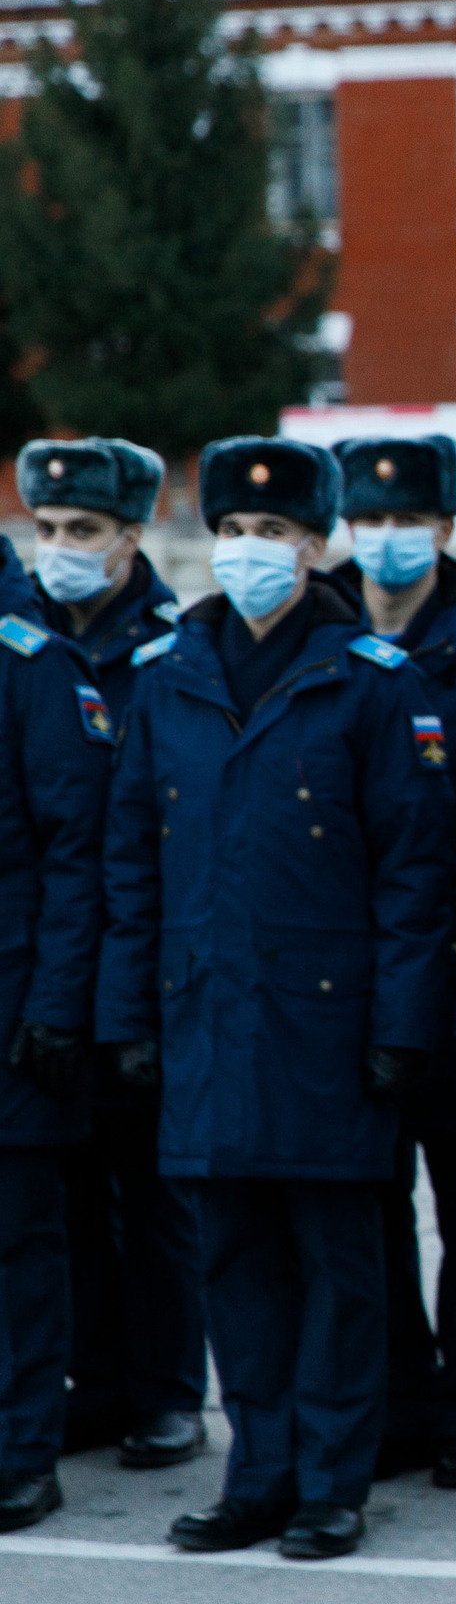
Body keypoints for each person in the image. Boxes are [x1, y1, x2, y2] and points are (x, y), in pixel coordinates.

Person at [96, 436, 456, 1561]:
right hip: (206, 1017)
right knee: (233, 1262)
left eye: (277, 535)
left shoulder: (372, 682)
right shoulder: (168, 678)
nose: (253, 552)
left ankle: (330, 1482)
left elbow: (416, 872)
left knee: (338, 1268)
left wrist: (403, 1025)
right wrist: (127, 1017)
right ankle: (256, 1473)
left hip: (326, 1027)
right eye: (236, 534)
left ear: (316, 545)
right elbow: (130, 863)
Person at [318, 434, 456, 1494]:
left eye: (411, 522)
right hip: (355, 983)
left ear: (445, 528)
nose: (389, 541)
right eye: (372, 521)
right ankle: (396, 1394)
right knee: (372, 1199)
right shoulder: (325, 638)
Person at [19, 438, 208, 1474]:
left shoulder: (175, 651)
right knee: (72, 1188)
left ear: (133, 536)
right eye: (46, 530)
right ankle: (94, 1380)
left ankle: (170, 1391)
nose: (61, 550)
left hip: (145, 953)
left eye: (83, 532)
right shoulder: (25, 644)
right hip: (52, 956)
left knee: (156, 1184)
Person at [0, 596, 115, 1532]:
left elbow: (80, 852)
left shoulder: (33, 665)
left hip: (10, 1012)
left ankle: (21, 1451)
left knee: (16, 1243)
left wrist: (55, 1003)